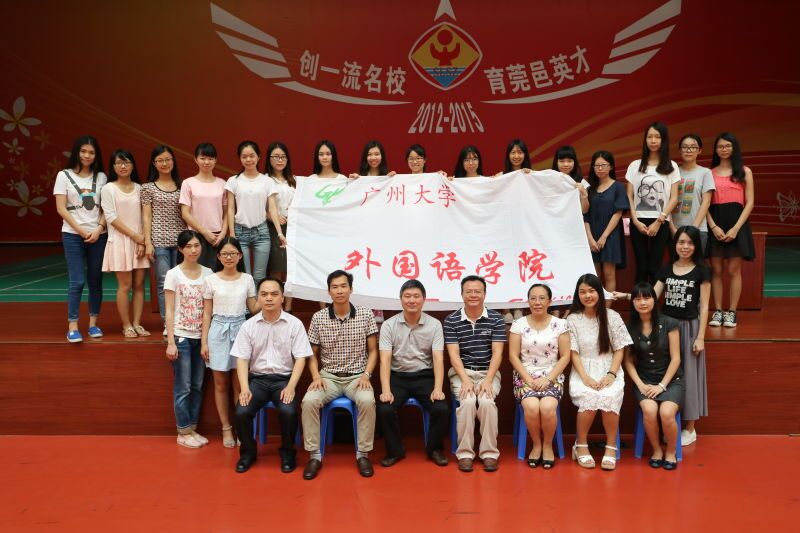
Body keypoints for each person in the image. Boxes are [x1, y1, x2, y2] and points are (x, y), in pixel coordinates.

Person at [615, 225, 711, 447]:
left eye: (690, 243)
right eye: (681, 242)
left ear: (696, 246)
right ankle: (668, 422)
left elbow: (705, 306)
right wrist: (628, 296)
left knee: (690, 376)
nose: (685, 247)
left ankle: (690, 428)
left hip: (689, 328)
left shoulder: (702, 271)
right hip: (666, 327)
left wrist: (701, 337)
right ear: (674, 245)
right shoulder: (667, 268)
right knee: (668, 369)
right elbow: (651, 296)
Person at [300, 270, 379, 480]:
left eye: (344, 286)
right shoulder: (318, 318)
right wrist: (316, 377)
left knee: (367, 401)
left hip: (357, 377)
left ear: (351, 289)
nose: (340, 290)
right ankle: (314, 456)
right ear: (328, 292)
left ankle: (363, 454)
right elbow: (311, 353)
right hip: (328, 378)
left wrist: (367, 375)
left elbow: (373, 351)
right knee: (309, 401)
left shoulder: (365, 314)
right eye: (334, 287)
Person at [232, 277, 312, 473]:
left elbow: (301, 358)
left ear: (282, 298)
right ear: (258, 298)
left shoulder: (294, 324)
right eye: (264, 294)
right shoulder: (248, 326)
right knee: (241, 412)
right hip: (257, 381)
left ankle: (287, 453)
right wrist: (244, 388)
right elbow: (241, 359)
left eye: (274, 294)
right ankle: (248, 453)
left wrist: (291, 386)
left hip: (283, 380)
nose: (269, 298)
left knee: (289, 412)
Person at [377, 280, 449, 468]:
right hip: (397, 376)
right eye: (407, 296)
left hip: (424, 376)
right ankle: (395, 451)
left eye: (416, 296)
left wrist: (438, 388)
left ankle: (434, 449)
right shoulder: (388, 325)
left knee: (441, 408)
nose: (412, 300)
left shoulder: (434, 325)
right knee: (384, 409)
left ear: (424, 299)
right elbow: (385, 360)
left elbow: (438, 359)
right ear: (401, 299)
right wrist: (386, 390)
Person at [568, 274, 632, 470]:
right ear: (577, 295)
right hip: (582, 370)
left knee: (609, 397)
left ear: (600, 292)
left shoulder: (612, 316)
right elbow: (573, 352)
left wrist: (611, 374)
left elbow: (620, 349)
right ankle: (581, 445)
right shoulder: (572, 319)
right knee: (589, 398)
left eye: (592, 291)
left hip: (609, 368)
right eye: (582, 292)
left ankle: (611, 447)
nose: (587, 295)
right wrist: (585, 377)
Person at [444, 275, 506, 473]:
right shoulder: (451, 320)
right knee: (468, 401)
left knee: (487, 402)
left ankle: (489, 453)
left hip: (489, 372)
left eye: (477, 291)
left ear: (484, 294)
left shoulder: (496, 319)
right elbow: (453, 355)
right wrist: (464, 379)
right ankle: (465, 454)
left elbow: (498, 353)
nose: (473, 295)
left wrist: (488, 380)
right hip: (462, 372)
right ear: (462, 294)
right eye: (468, 291)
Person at [201, 237, 258, 448]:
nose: (229, 257)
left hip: (241, 330)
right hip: (217, 331)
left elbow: (253, 308)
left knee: (239, 383)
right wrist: (204, 342)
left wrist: (270, 294)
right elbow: (207, 313)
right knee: (220, 384)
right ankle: (226, 428)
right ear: (218, 257)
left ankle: (240, 428)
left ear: (240, 256)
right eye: (225, 254)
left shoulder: (247, 279)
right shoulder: (211, 280)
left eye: (233, 253)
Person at [508, 283, 571, 469]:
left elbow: (565, 356)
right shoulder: (518, 324)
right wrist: (528, 379)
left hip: (552, 375)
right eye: (533, 298)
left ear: (549, 301)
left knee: (547, 407)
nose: (537, 302)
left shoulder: (560, 324)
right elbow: (513, 356)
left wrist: (548, 378)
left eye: (542, 298)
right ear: (528, 301)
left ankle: (547, 445)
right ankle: (536, 444)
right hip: (525, 376)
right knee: (532, 406)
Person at [623, 282, 683, 470]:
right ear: (633, 302)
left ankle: (671, 452)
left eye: (647, 298)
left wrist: (662, 386)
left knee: (666, 413)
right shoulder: (629, 327)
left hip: (671, 381)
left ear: (654, 300)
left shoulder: (669, 323)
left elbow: (676, 359)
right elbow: (628, 361)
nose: (642, 302)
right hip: (644, 380)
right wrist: (640, 385)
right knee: (649, 410)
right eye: (637, 299)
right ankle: (656, 450)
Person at [53, 135, 108, 342]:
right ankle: (73, 326)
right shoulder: (63, 175)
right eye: (83, 151)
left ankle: (93, 324)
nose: (87, 155)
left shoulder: (102, 177)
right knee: (77, 281)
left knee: (95, 280)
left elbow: (107, 208)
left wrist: (99, 229)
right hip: (72, 235)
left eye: (91, 152)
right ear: (76, 152)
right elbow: (61, 208)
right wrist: (81, 230)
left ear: (96, 155)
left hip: (98, 236)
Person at [164, 230, 213, 448]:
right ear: (181, 249)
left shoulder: (208, 273)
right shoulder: (173, 274)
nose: (193, 250)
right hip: (181, 337)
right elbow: (169, 309)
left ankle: (192, 428)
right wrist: (171, 342)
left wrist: (205, 341)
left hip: (200, 337)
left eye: (197, 245)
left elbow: (208, 311)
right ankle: (182, 432)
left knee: (197, 385)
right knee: (183, 387)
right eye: (189, 246)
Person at [706, 132, 755, 328]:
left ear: (734, 148)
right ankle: (718, 311)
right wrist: (713, 226)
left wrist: (736, 228)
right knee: (716, 270)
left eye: (727, 146)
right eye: (720, 146)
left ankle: (732, 312)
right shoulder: (708, 173)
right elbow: (704, 204)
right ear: (716, 150)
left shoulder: (744, 171)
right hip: (715, 223)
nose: (724, 149)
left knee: (734, 270)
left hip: (737, 224)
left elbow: (750, 202)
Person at [101, 149, 150, 338]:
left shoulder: (140, 188)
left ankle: (137, 323)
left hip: (139, 241)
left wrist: (142, 240)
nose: (123, 166)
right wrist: (135, 236)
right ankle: (126, 325)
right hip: (119, 241)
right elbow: (111, 217)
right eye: (119, 163)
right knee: (125, 285)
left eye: (127, 162)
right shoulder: (108, 189)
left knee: (139, 285)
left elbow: (144, 217)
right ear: (113, 167)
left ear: (132, 165)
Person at [625, 122, 681, 284]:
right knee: (642, 267)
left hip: (661, 221)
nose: (653, 140)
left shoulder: (671, 166)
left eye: (657, 137)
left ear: (664, 140)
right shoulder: (635, 165)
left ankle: (653, 301)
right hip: (638, 222)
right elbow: (629, 195)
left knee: (655, 267)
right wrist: (635, 220)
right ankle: (639, 300)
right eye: (650, 137)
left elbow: (674, 198)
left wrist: (659, 220)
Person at [225, 140, 285, 281]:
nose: (248, 159)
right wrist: (232, 234)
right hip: (240, 232)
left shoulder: (267, 181)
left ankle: (258, 297)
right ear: (240, 158)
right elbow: (230, 208)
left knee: (259, 277)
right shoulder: (233, 181)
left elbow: (272, 208)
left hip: (262, 232)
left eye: (252, 156)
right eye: (244, 156)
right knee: (244, 277)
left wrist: (280, 233)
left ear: (259, 157)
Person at [142, 145, 185, 334]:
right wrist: (148, 242)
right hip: (159, 242)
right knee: (163, 283)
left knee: (181, 283)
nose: (164, 163)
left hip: (181, 243)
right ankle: (168, 323)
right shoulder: (147, 188)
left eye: (168, 159)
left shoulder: (183, 186)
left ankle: (181, 320)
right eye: (160, 160)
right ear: (154, 163)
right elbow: (146, 217)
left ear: (173, 161)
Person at [584, 150, 627, 305]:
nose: (600, 168)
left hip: (611, 235)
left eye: (604, 165)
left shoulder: (618, 187)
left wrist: (603, 237)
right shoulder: (589, 189)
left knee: (609, 274)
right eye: (597, 165)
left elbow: (618, 213)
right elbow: (585, 215)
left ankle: (607, 310)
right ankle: (593, 308)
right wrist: (590, 239)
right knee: (594, 276)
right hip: (591, 235)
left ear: (611, 167)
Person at [179, 142, 228, 269]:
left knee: (216, 274)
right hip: (195, 236)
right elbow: (185, 213)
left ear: (215, 160)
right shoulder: (188, 183)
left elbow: (227, 212)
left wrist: (223, 234)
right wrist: (205, 232)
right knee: (197, 273)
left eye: (210, 159)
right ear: (196, 159)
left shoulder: (222, 183)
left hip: (217, 237)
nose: (206, 162)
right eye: (202, 158)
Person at [265, 142, 296, 311]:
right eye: (276, 156)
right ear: (269, 159)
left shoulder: (294, 180)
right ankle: (275, 306)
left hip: (294, 229)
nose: (280, 160)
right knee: (276, 268)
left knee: (291, 269)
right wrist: (271, 216)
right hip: (273, 229)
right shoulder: (265, 180)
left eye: (283, 157)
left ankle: (288, 308)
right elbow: (256, 207)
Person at [672, 134, 714, 250]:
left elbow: (706, 203)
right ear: (679, 150)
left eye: (693, 147)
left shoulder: (705, 173)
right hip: (675, 230)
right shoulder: (673, 172)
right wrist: (672, 228)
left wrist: (693, 229)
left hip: (698, 230)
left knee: (697, 262)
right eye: (685, 147)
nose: (688, 150)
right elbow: (667, 201)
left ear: (699, 150)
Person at [551, 145, 589, 213]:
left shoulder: (581, 182)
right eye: (562, 161)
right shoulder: (550, 179)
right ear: (556, 162)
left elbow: (584, 211)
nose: (566, 164)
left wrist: (584, 195)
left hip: (572, 219)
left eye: (569, 161)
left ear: (574, 162)